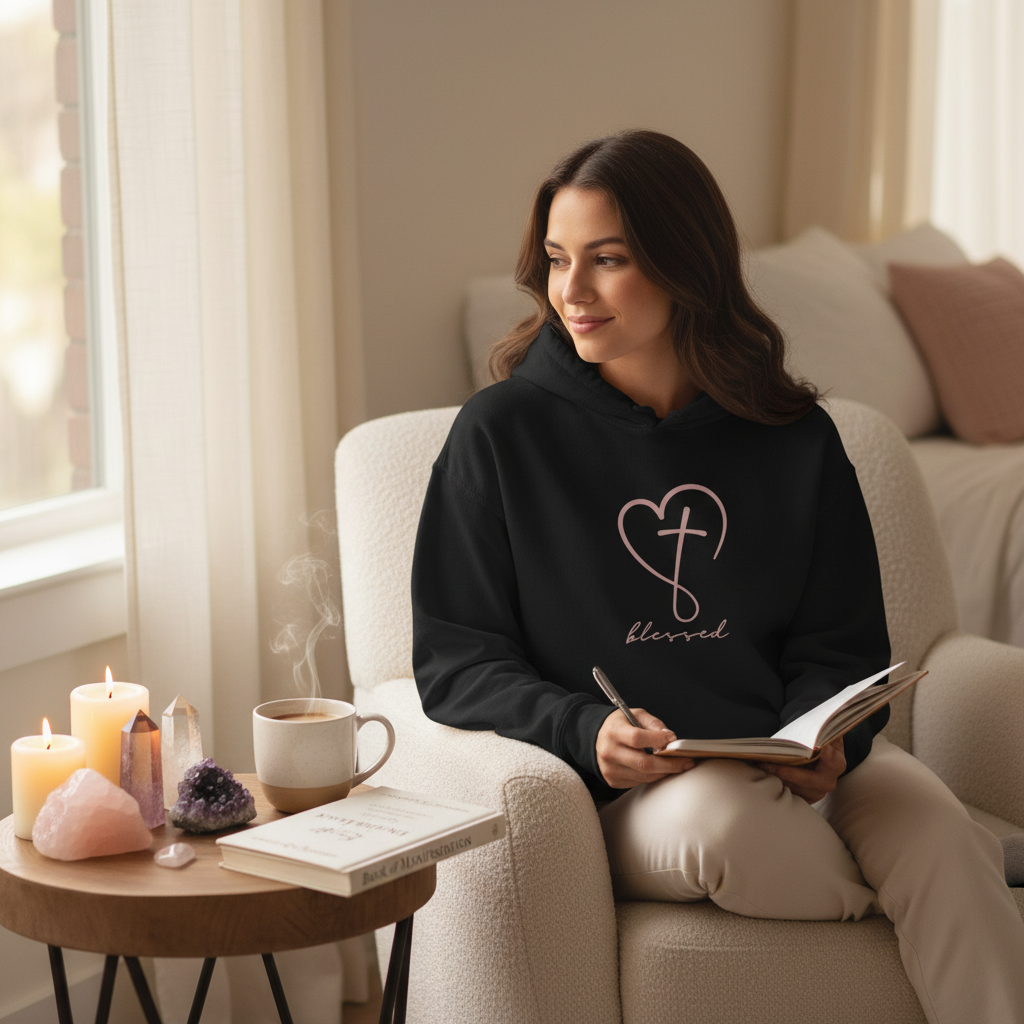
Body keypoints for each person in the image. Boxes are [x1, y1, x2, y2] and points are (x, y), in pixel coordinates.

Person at [410, 129, 1024, 1023]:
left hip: (801, 767)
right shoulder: (500, 435)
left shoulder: (795, 436)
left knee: (937, 836)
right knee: (738, 830)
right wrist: (586, 729)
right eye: (557, 259)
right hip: (638, 793)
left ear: (684, 265)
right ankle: (933, 900)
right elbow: (457, 659)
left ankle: (954, 892)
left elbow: (841, 641)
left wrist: (831, 738)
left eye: (607, 259)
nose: (571, 291)